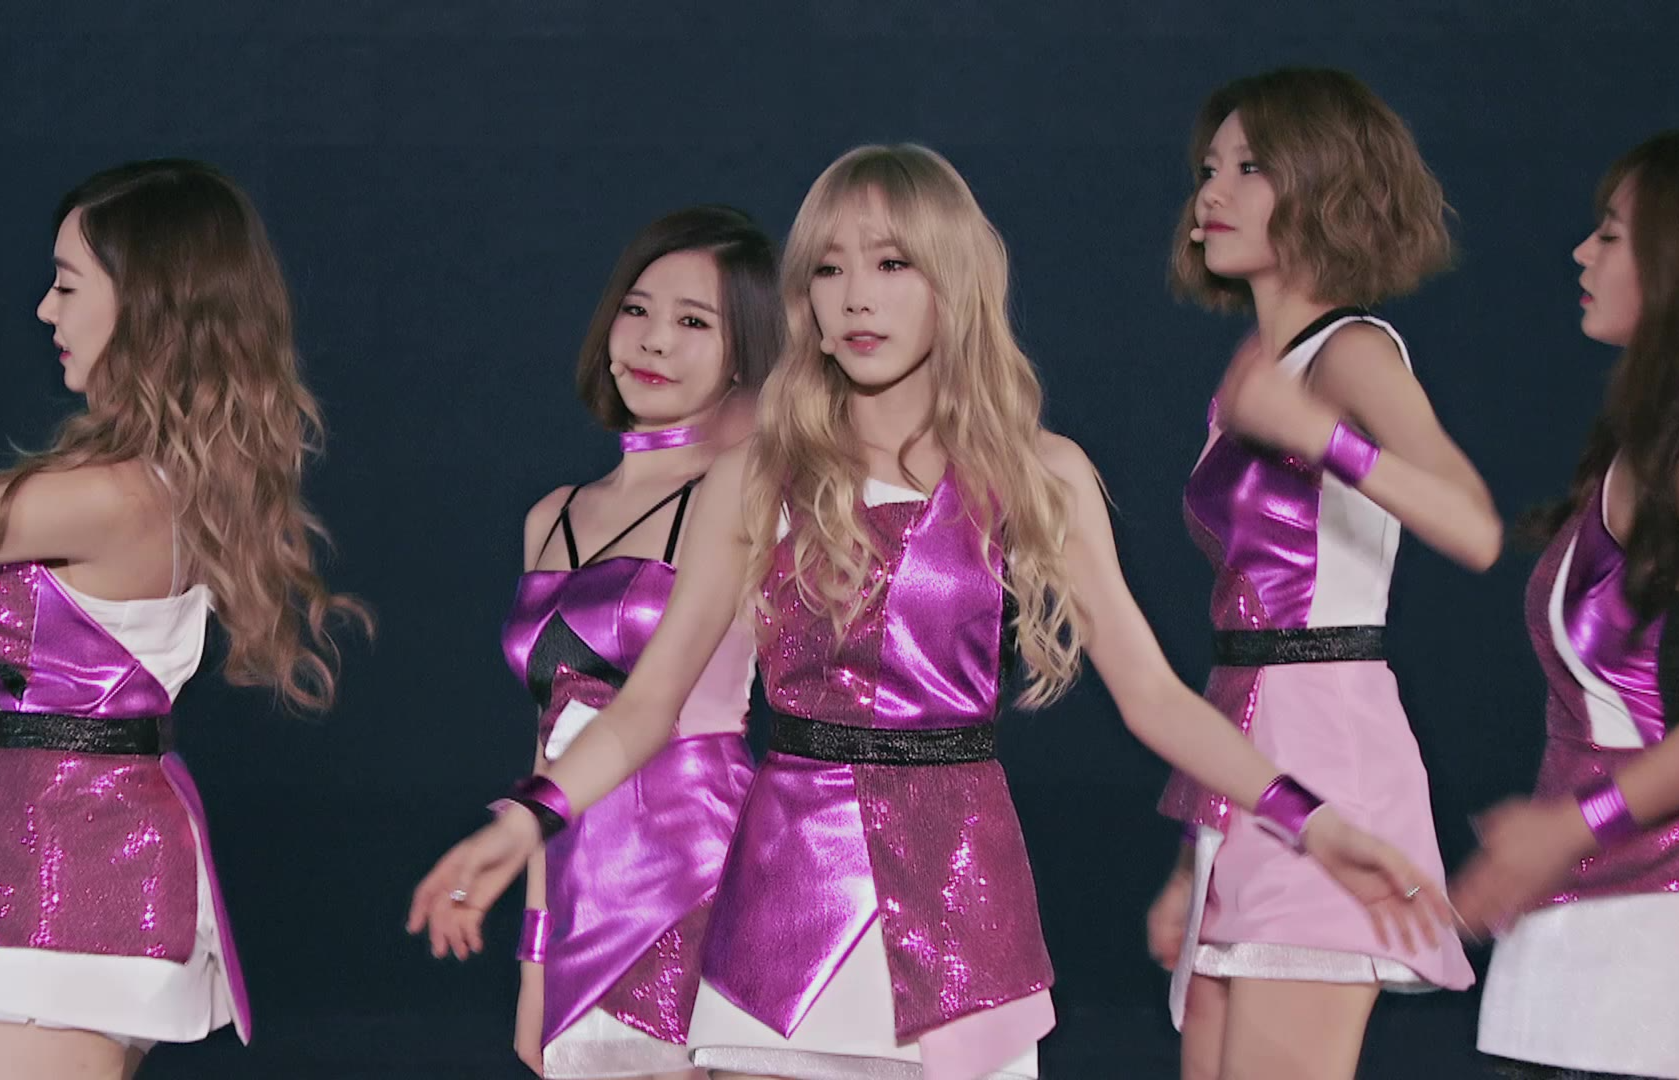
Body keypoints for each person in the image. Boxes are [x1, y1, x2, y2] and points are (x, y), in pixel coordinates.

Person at [412, 143, 1448, 1080]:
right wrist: (523, 821)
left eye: (892, 263)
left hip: (964, 913)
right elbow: (646, 708)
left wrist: (1310, 821)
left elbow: (1156, 698)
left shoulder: (1038, 471)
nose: (856, 296)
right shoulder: (759, 475)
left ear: (954, 282)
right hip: (782, 916)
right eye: (829, 269)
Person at [1146, 67, 1496, 1080]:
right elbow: (1244, 648)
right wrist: (1197, 855)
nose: (1213, 191)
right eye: (1209, 167)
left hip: (1333, 752)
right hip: (1248, 768)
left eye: (1250, 167)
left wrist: (1318, 435)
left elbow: (1473, 527)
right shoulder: (1261, 366)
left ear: (1322, 182)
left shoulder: (1349, 353)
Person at [0, 159, 365, 1080]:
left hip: (71, 877)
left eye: (67, 285)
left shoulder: (111, 498)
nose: (44, 310)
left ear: (147, 305)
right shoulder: (142, 483)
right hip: (57, 857)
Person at [1456, 129, 1679, 1080]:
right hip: (1576, 945)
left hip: (1668, 952)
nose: (1581, 253)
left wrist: (1572, 825)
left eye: (1610, 234)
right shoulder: (1641, 449)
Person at [502, 206, 782, 1078]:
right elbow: (550, 743)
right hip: (581, 889)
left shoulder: (749, 495)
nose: (654, 340)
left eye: (694, 322)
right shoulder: (551, 516)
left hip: (704, 875)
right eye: (636, 309)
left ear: (744, 355)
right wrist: (534, 959)